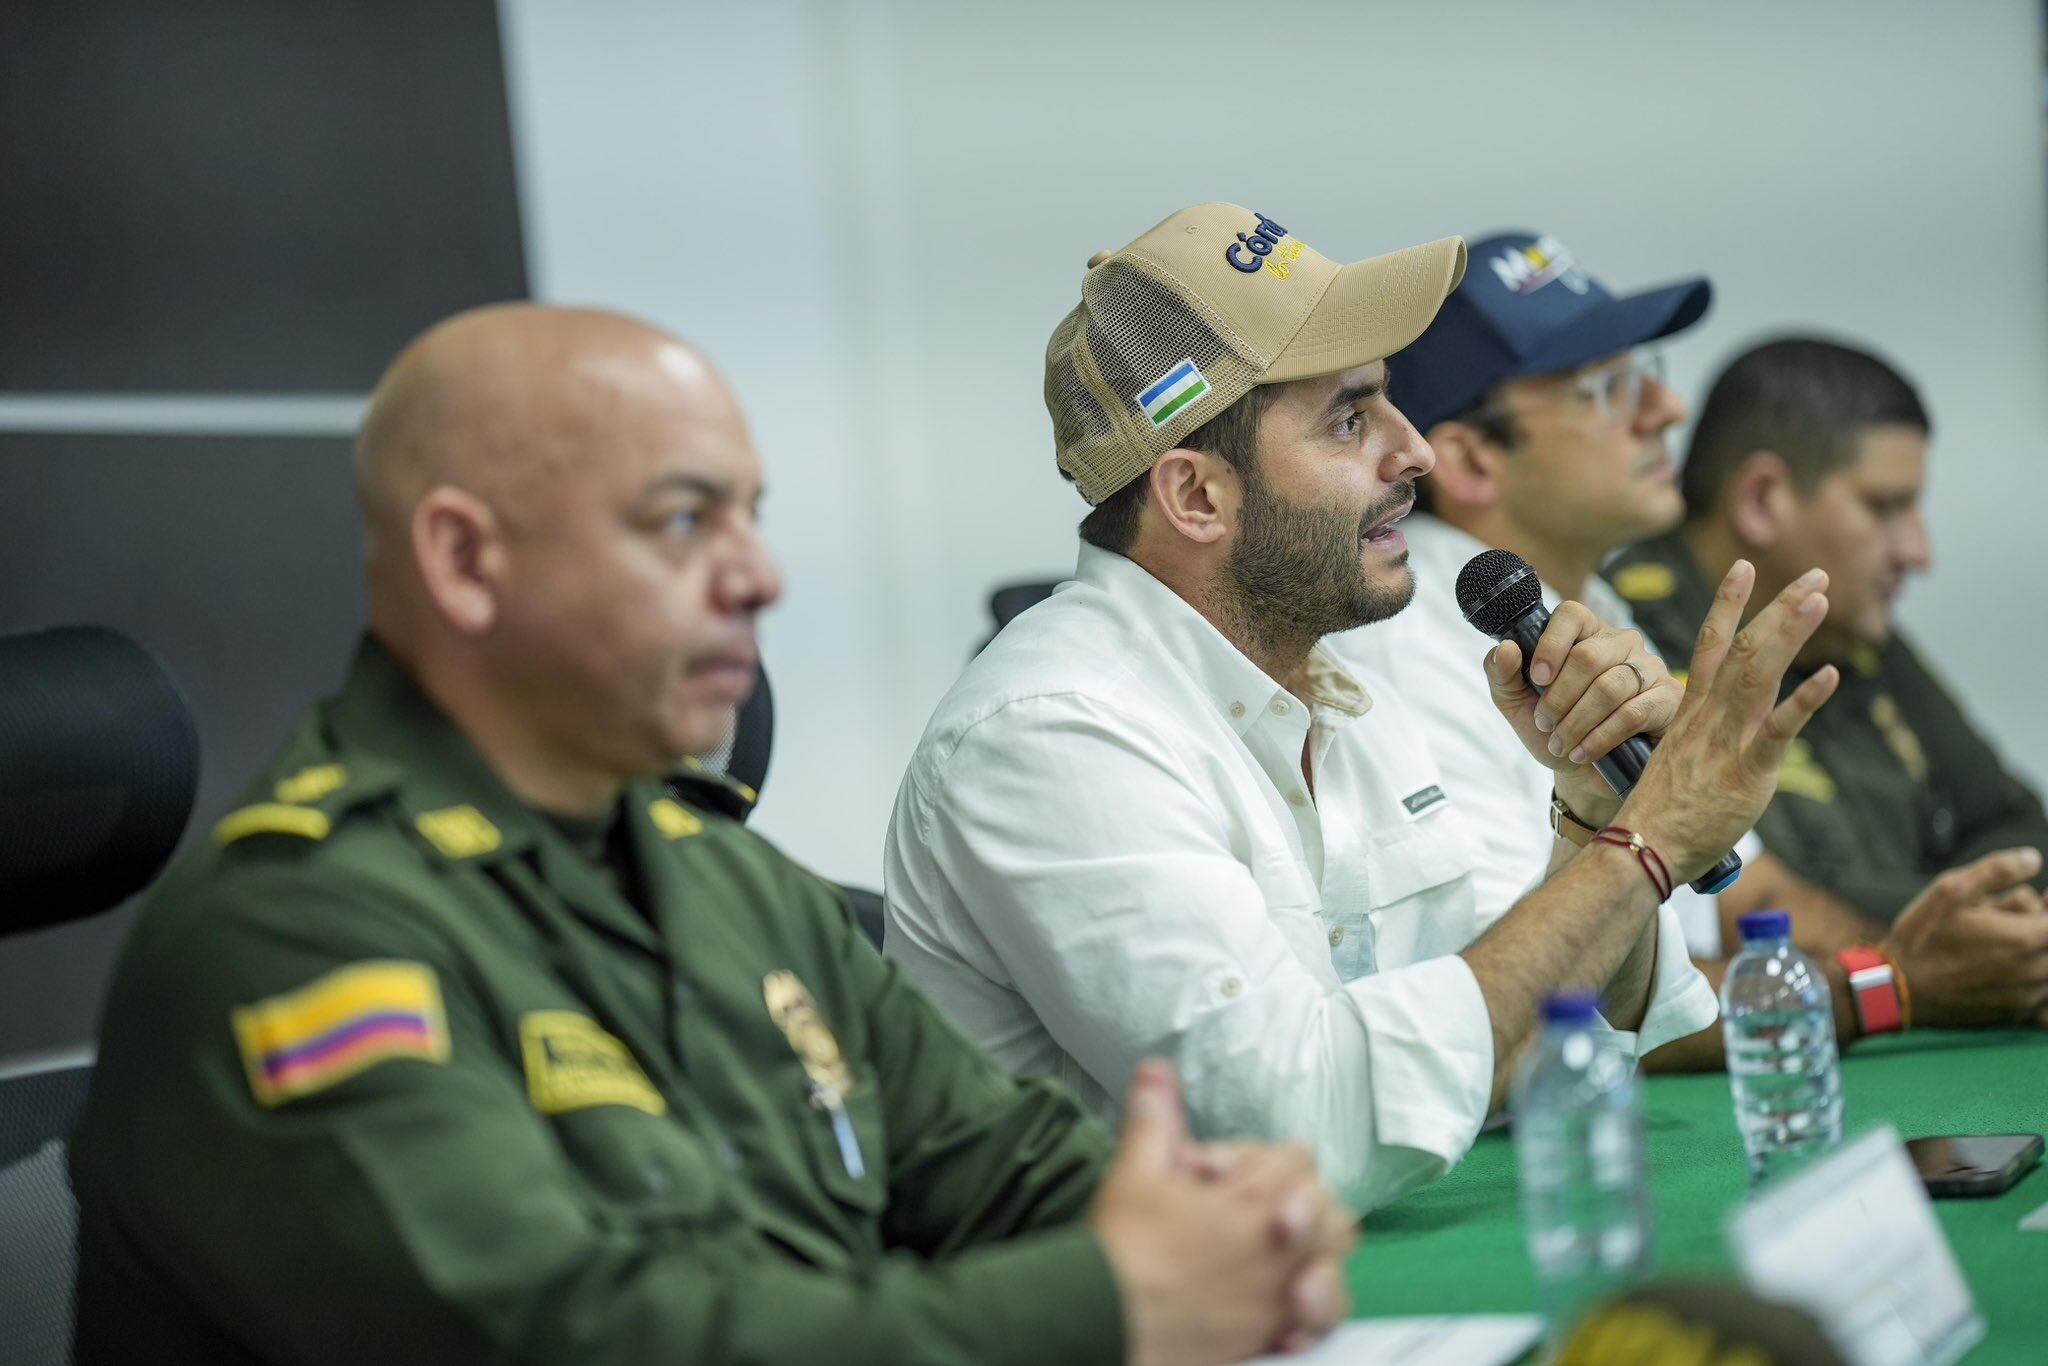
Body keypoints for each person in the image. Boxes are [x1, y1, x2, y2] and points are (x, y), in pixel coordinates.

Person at [68, 304, 1360, 1366]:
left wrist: (1223, 1223)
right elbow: (578, 1337)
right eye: (685, 520)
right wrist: (1112, 1303)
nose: (760, 574)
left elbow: (992, 1158)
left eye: (752, 513)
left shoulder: (729, 875)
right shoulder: (293, 934)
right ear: (467, 562)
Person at [884, 202, 1840, 1212]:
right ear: (1195, 496)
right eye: (1349, 419)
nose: (1415, 451)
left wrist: (1588, 816)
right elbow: (1297, 1133)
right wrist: (1647, 842)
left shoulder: (1335, 690)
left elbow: (1505, 1038)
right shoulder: (1048, 735)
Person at [1349, 237, 2048, 1068]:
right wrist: (1895, 981)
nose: (1666, 411)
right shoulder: (1414, 648)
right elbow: (1536, 1004)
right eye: (1607, 390)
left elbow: (1743, 888)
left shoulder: (1585, 604)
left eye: (1646, 371)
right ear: (1469, 459)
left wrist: (1956, 953)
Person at [1609, 337, 2048, 933]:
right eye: (1885, 507)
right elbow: (1763, 899)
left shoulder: (1849, 627)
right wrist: (1958, 930)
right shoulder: (1631, 640)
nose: (1918, 553)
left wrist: (1982, 917)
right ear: (1762, 500)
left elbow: (2015, 824)